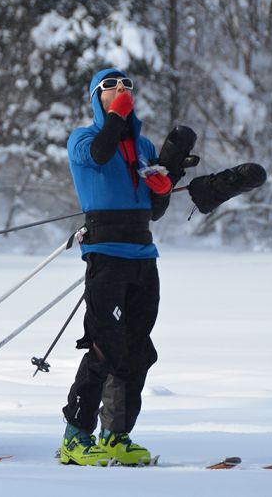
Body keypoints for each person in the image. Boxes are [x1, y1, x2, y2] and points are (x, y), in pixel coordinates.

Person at [59, 67, 178, 466]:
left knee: (137, 348)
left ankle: (116, 436)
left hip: (143, 257)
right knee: (104, 346)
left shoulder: (142, 145)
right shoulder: (83, 138)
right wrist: (115, 118)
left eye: (127, 84)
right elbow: (100, 154)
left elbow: (154, 210)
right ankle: (75, 437)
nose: (121, 89)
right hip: (106, 255)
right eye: (110, 86)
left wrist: (164, 184)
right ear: (96, 97)